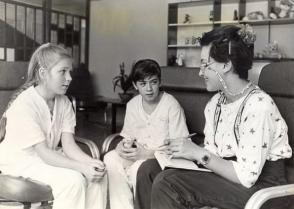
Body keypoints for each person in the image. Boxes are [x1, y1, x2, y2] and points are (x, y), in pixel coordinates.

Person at [135, 25, 292, 209]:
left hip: (263, 188)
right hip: (226, 175)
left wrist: (197, 153)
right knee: (148, 170)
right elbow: (212, 153)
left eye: (205, 64)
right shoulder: (215, 104)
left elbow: (247, 176)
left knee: (168, 183)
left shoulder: (259, 106)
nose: (200, 72)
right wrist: (183, 153)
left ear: (226, 65)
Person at [0, 43, 107, 209]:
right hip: (22, 163)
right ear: (43, 74)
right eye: (62, 71)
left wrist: (91, 163)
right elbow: (43, 153)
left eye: (70, 71)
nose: (70, 77)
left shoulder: (63, 102)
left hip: (46, 158)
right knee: (73, 181)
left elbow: (69, 145)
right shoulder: (25, 104)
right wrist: (81, 167)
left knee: (99, 175)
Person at [103, 59, 189, 209]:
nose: (149, 89)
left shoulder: (171, 105)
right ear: (135, 86)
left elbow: (180, 147)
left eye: (153, 82)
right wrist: (122, 146)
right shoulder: (132, 104)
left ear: (160, 82)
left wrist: (147, 154)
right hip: (137, 155)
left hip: (161, 160)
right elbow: (128, 137)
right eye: (143, 84)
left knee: (138, 169)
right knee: (110, 158)